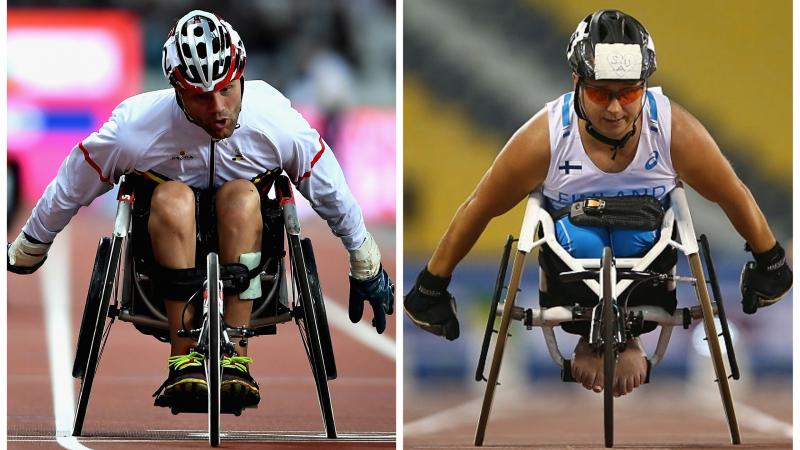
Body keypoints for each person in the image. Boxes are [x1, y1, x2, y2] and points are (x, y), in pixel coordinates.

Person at [7, 10, 394, 411]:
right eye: (199, 96)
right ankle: (183, 356)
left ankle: (236, 356)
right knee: (174, 197)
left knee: (242, 196)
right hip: (164, 241)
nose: (217, 107)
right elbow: (72, 182)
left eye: (226, 90)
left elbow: (331, 190)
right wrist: (33, 241)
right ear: (176, 90)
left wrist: (364, 258)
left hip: (250, 234)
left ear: (241, 74)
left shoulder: (277, 123)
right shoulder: (136, 127)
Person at [405, 9, 791, 397]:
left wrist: (770, 260)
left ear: (644, 85)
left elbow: (731, 191)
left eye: (629, 93)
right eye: (599, 93)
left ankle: (628, 339)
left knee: (645, 235)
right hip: (569, 271)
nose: (615, 109)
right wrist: (431, 284)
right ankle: (593, 339)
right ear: (577, 81)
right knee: (582, 236)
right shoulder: (546, 135)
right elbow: (481, 205)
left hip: (649, 271)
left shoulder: (671, 129)